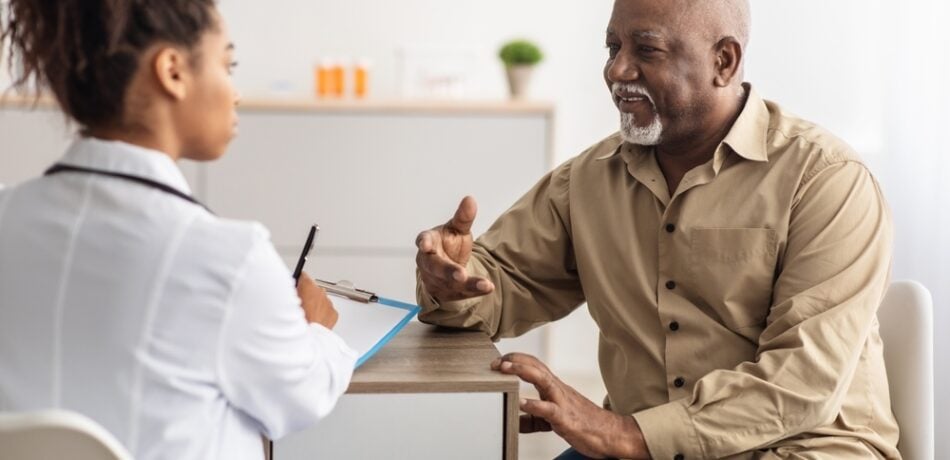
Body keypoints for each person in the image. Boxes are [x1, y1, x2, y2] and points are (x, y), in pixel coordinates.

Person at [414, 0, 900, 458]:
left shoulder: (825, 180)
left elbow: (801, 383)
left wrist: (626, 432)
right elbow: (501, 285)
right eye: (612, 48)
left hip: (800, 446)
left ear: (724, 61)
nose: (616, 70)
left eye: (646, 50)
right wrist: (452, 281)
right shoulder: (587, 179)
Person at [0, 1, 356, 459]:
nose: (236, 92)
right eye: (228, 65)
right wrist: (318, 332)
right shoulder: (228, 258)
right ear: (172, 71)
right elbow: (302, 398)